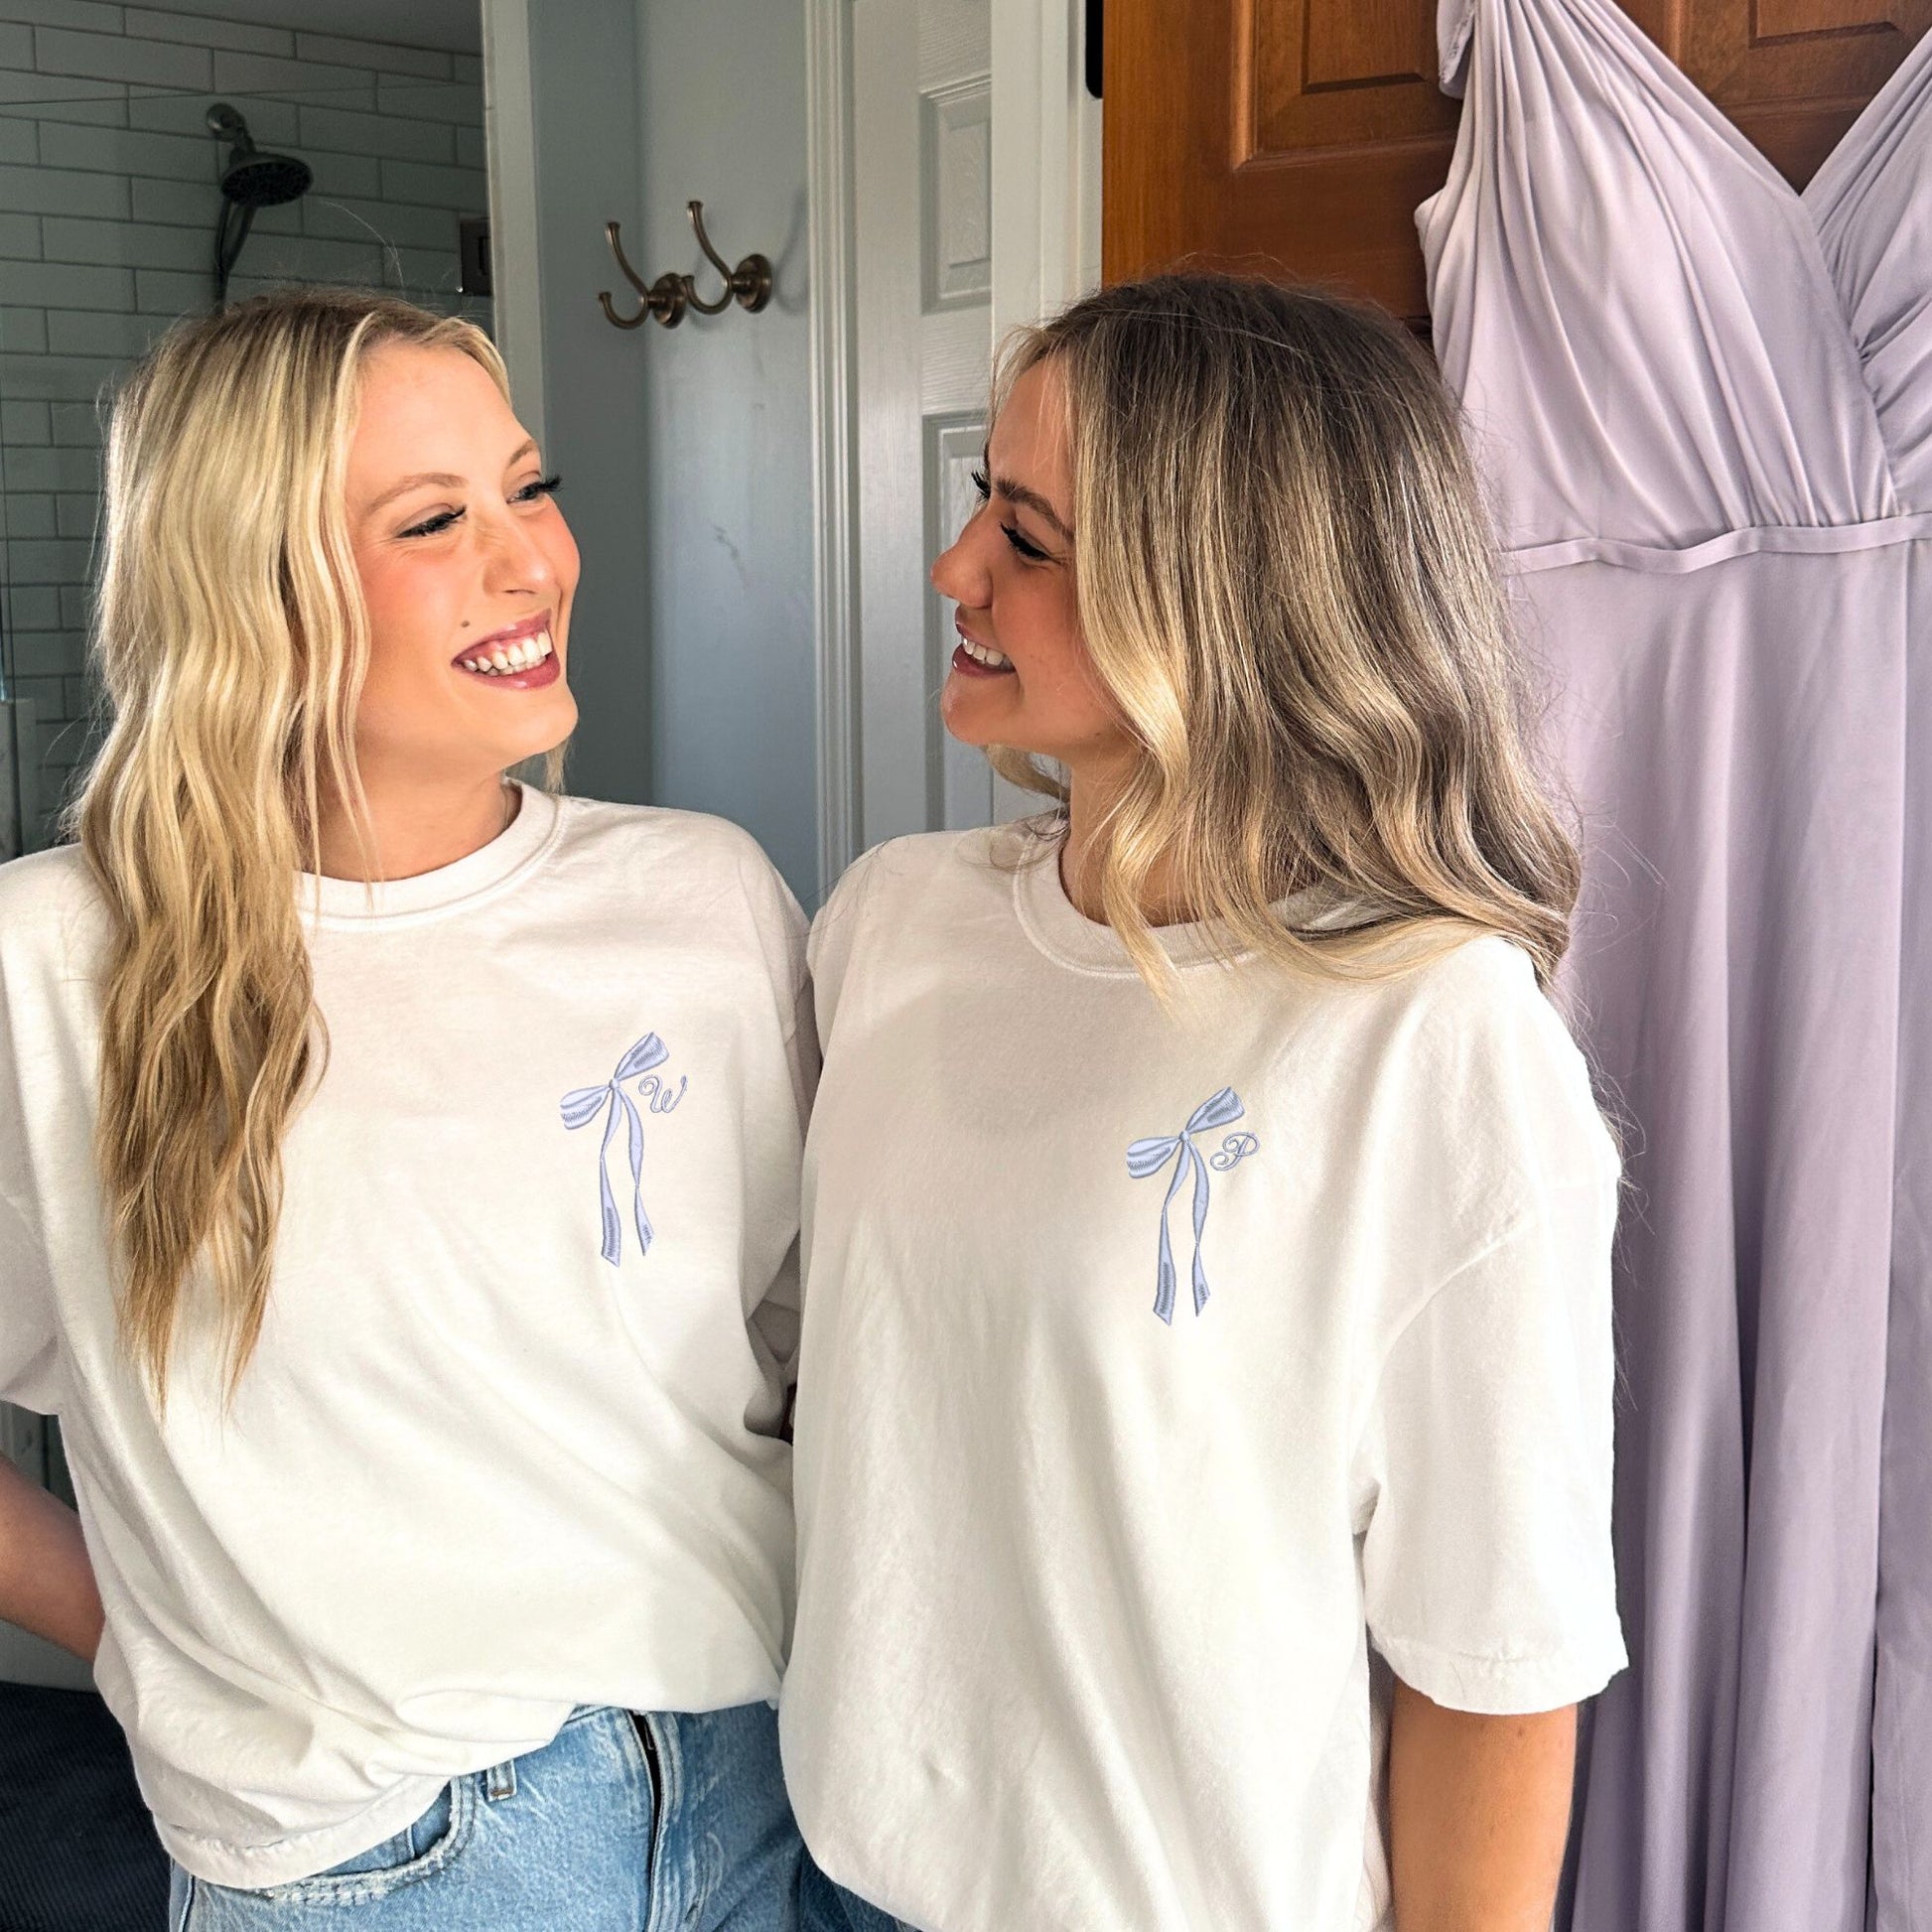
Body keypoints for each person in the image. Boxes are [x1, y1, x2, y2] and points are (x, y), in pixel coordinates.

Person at [784, 274, 1627, 1932]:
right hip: (826, 1873)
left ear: (1218, 604)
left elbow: (1494, 1661)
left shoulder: (1430, 1037)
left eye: (1027, 537)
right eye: (980, 505)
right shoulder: (889, 922)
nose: (956, 569)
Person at [0, 288, 812, 1930]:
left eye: (530, 485)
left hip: (758, 1792)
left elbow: (804, 1359)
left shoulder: (704, 899)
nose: (531, 562)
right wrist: (155, 1635)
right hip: (383, 1866)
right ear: (257, 589)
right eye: (436, 519)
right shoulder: (53, 963)